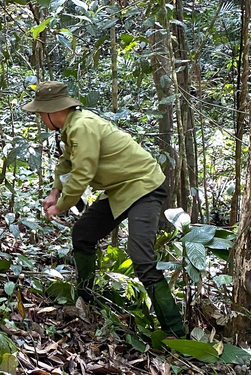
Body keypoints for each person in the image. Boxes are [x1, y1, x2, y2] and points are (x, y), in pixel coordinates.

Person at [23, 81, 185, 337]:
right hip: (120, 190)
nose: (40, 119)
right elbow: (66, 163)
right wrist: (55, 190)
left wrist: (61, 206)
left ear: (52, 111)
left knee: (141, 258)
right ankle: (87, 298)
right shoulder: (72, 127)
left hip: (143, 186)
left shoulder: (82, 127)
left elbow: (82, 173)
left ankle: (176, 333)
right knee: (83, 233)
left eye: (41, 114)